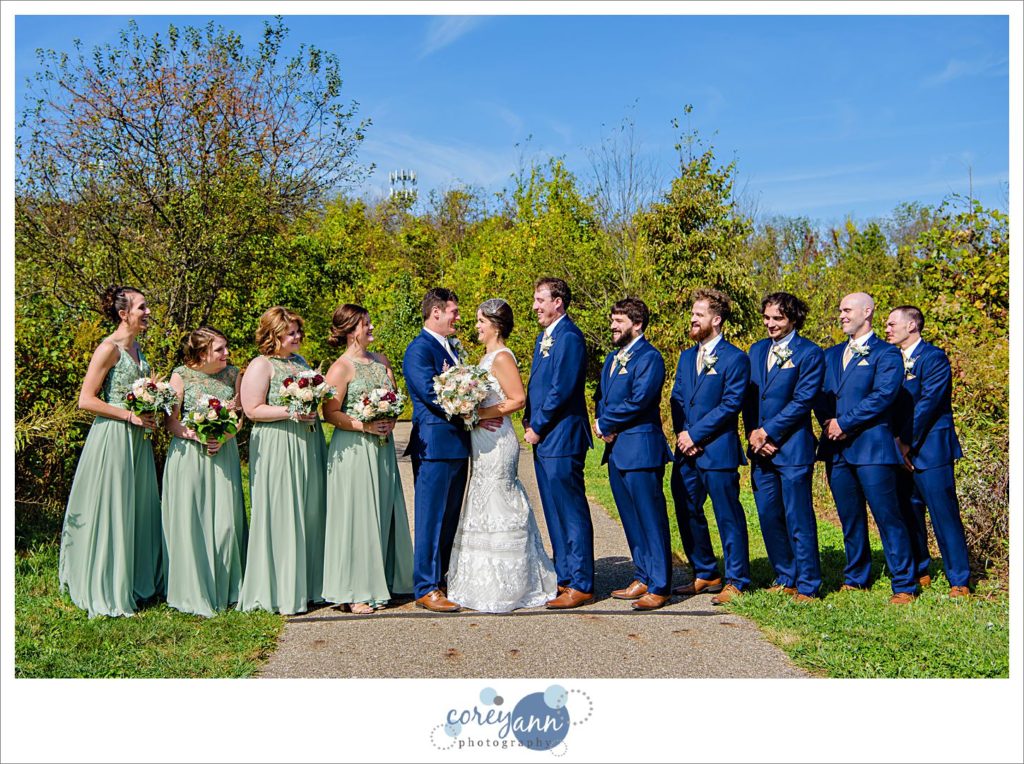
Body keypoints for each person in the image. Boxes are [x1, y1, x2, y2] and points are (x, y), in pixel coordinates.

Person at [446, 299, 558, 612]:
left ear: (495, 324)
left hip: (497, 439)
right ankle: (477, 578)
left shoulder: (502, 357)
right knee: (482, 495)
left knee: (500, 497)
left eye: (481, 321)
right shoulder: (484, 358)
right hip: (481, 439)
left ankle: (511, 581)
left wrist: (480, 413)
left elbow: (518, 398)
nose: (477, 326)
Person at [58, 285, 163, 617]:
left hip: (137, 439)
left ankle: (133, 578)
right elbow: (86, 399)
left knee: (136, 507)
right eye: (142, 308)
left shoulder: (138, 350)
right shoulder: (109, 349)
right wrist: (129, 415)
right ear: (124, 314)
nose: (148, 313)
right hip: (113, 437)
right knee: (113, 507)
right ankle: (105, 582)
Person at [815, 292, 917, 604]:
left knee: (887, 517)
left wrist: (845, 423)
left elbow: (883, 396)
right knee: (850, 517)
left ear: (867, 311)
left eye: (847, 310)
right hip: (836, 449)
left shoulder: (887, 355)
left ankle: (904, 583)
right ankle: (856, 576)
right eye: (840, 310)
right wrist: (829, 421)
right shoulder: (830, 355)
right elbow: (819, 394)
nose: (842, 315)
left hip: (872, 448)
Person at [321, 305, 414, 614]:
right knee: (357, 516)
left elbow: (395, 401)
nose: (372, 327)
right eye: (366, 323)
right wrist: (365, 425)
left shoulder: (382, 362)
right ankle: (355, 589)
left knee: (383, 509)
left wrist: (389, 418)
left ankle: (385, 580)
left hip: (382, 448)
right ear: (352, 330)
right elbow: (330, 413)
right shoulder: (341, 368)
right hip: (354, 448)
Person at [237, 307, 327, 615]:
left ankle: (308, 585)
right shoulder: (261, 365)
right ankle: (278, 588)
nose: (298, 336)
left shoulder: (300, 362)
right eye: (291, 333)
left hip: (307, 440)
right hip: (277, 442)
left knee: (308, 509)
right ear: (273, 335)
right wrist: (292, 412)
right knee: (281, 510)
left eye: (298, 331)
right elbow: (251, 409)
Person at [669, 288, 751, 605]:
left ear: (716, 320)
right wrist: (682, 434)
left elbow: (730, 405)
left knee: (727, 515)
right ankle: (705, 571)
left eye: (698, 314)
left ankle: (737, 579)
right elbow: (677, 399)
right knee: (686, 509)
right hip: (685, 450)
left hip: (717, 450)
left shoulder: (735, 358)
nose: (692, 318)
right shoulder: (687, 356)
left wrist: (696, 435)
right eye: (692, 313)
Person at [742, 293, 825, 603]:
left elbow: (803, 401)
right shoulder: (757, 350)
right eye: (766, 317)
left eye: (777, 318)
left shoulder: (810, 353)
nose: (770, 324)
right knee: (768, 514)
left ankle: (808, 583)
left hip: (791, 448)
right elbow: (749, 398)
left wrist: (769, 432)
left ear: (792, 320)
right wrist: (753, 433)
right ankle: (785, 575)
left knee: (798, 517)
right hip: (760, 449)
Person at [593, 298, 674, 611]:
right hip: (616, 450)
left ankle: (660, 584)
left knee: (651, 519)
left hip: (642, 450)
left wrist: (606, 422)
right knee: (630, 518)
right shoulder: (614, 358)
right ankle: (641, 575)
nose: (613, 326)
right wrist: (604, 425)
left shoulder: (649, 358)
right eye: (613, 319)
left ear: (637, 324)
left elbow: (641, 400)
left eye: (619, 320)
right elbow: (602, 397)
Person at [885, 305, 971, 598]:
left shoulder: (933, 358)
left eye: (892, 323)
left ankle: (959, 579)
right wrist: (895, 443)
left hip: (931, 449)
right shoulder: (889, 359)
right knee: (908, 511)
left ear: (912, 326)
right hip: (898, 449)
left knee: (943, 513)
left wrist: (905, 441)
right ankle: (921, 570)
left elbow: (929, 403)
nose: (887, 328)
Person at [161, 327, 247, 617]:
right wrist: (197, 436)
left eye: (226, 348)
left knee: (227, 521)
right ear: (201, 353)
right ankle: (192, 587)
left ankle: (228, 587)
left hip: (224, 453)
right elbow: (171, 423)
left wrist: (223, 437)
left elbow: (238, 419)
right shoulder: (180, 376)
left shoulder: (234, 374)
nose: (227, 354)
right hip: (189, 455)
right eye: (220, 349)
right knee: (191, 520)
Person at [523, 277, 596, 610]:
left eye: (541, 299)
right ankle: (565, 576)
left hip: (563, 436)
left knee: (571, 510)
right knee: (553, 509)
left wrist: (537, 425)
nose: (535, 306)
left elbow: (562, 390)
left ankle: (581, 582)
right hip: (545, 438)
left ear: (559, 302)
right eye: (536, 300)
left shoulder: (569, 338)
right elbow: (537, 383)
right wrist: (527, 416)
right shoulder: (543, 338)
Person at [402, 288, 473, 612]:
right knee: (431, 518)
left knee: (450, 519)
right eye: (453, 312)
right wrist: (469, 404)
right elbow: (431, 393)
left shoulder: (451, 348)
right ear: (436, 313)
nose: (457, 317)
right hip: (433, 445)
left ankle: (441, 579)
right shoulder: (419, 350)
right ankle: (426, 586)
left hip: (457, 444)